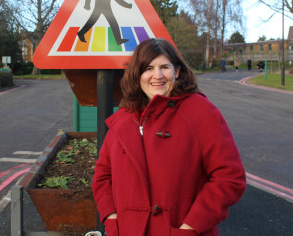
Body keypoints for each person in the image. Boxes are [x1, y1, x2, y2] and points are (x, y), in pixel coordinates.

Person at [92, 39, 246, 236]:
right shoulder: (123, 118)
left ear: (178, 71)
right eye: (148, 68)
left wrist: (190, 228)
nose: (157, 76)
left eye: (165, 67)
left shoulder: (201, 113)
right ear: (137, 74)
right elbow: (103, 176)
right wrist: (112, 221)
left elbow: (229, 177)